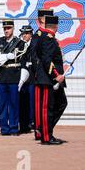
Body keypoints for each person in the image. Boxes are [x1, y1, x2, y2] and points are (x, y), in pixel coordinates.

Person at [34, 15, 68, 145]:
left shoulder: (47, 38)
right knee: (47, 108)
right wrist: (56, 75)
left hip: (50, 78)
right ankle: (46, 136)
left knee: (61, 103)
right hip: (48, 79)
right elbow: (47, 60)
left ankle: (45, 130)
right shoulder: (48, 39)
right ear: (55, 26)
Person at [0, 20, 25, 136]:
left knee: (14, 103)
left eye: (9, 28)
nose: (6, 30)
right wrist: (5, 56)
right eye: (5, 29)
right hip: (2, 76)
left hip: (14, 76)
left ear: (13, 29)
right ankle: (4, 128)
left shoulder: (20, 43)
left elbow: (23, 61)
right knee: (2, 104)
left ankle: (13, 128)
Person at [30, 8, 54, 140]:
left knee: (48, 105)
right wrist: (39, 71)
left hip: (47, 73)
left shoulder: (48, 34)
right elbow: (34, 56)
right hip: (42, 74)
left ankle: (44, 130)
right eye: (45, 18)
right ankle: (40, 131)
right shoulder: (38, 35)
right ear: (40, 20)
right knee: (42, 105)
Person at [18, 25, 34, 134]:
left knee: (32, 102)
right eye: (23, 33)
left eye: (26, 33)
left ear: (30, 34)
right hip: (22, 78)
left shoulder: (34, 44)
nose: (24, 35)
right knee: (22, 102)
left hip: (32, 78)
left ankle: (33, 122)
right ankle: (24, 124)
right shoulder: (20, 45)